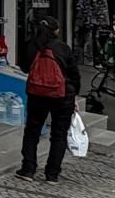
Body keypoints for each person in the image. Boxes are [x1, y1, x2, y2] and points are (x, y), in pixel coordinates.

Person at [17, 17, 82, 182]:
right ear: (56, 31)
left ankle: (28, 169)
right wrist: (74, 95)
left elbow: (24, 68)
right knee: (59, 134)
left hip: (37, 93)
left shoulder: (31, 45)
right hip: (63, 95)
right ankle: (52, 174)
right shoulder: (63, 48)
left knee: (32, 130)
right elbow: (74, 75)